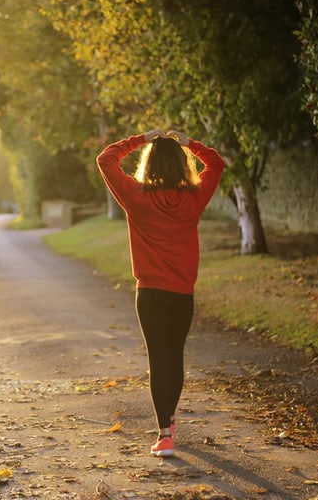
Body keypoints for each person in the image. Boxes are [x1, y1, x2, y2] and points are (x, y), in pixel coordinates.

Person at [96, 128, 225, 457]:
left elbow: (106, 159)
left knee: (158, 359)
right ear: (182, 165)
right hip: (182, 294)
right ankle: (168, 419)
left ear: (149, 165)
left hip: (150, 294)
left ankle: (165, 433)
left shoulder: (136, 196)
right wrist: (189, 143)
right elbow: (216, 163)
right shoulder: (194, 198)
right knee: (174, 357)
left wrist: (141, 139)